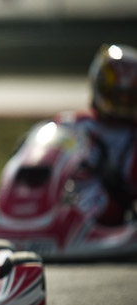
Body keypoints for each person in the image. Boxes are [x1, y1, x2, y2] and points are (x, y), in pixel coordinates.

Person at [54, 43, 137, 225]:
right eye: (116, 95)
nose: (122, 103)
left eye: (128, 97)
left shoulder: (132, 135)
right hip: (60, 198)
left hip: (106, 218)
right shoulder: (71, 123)